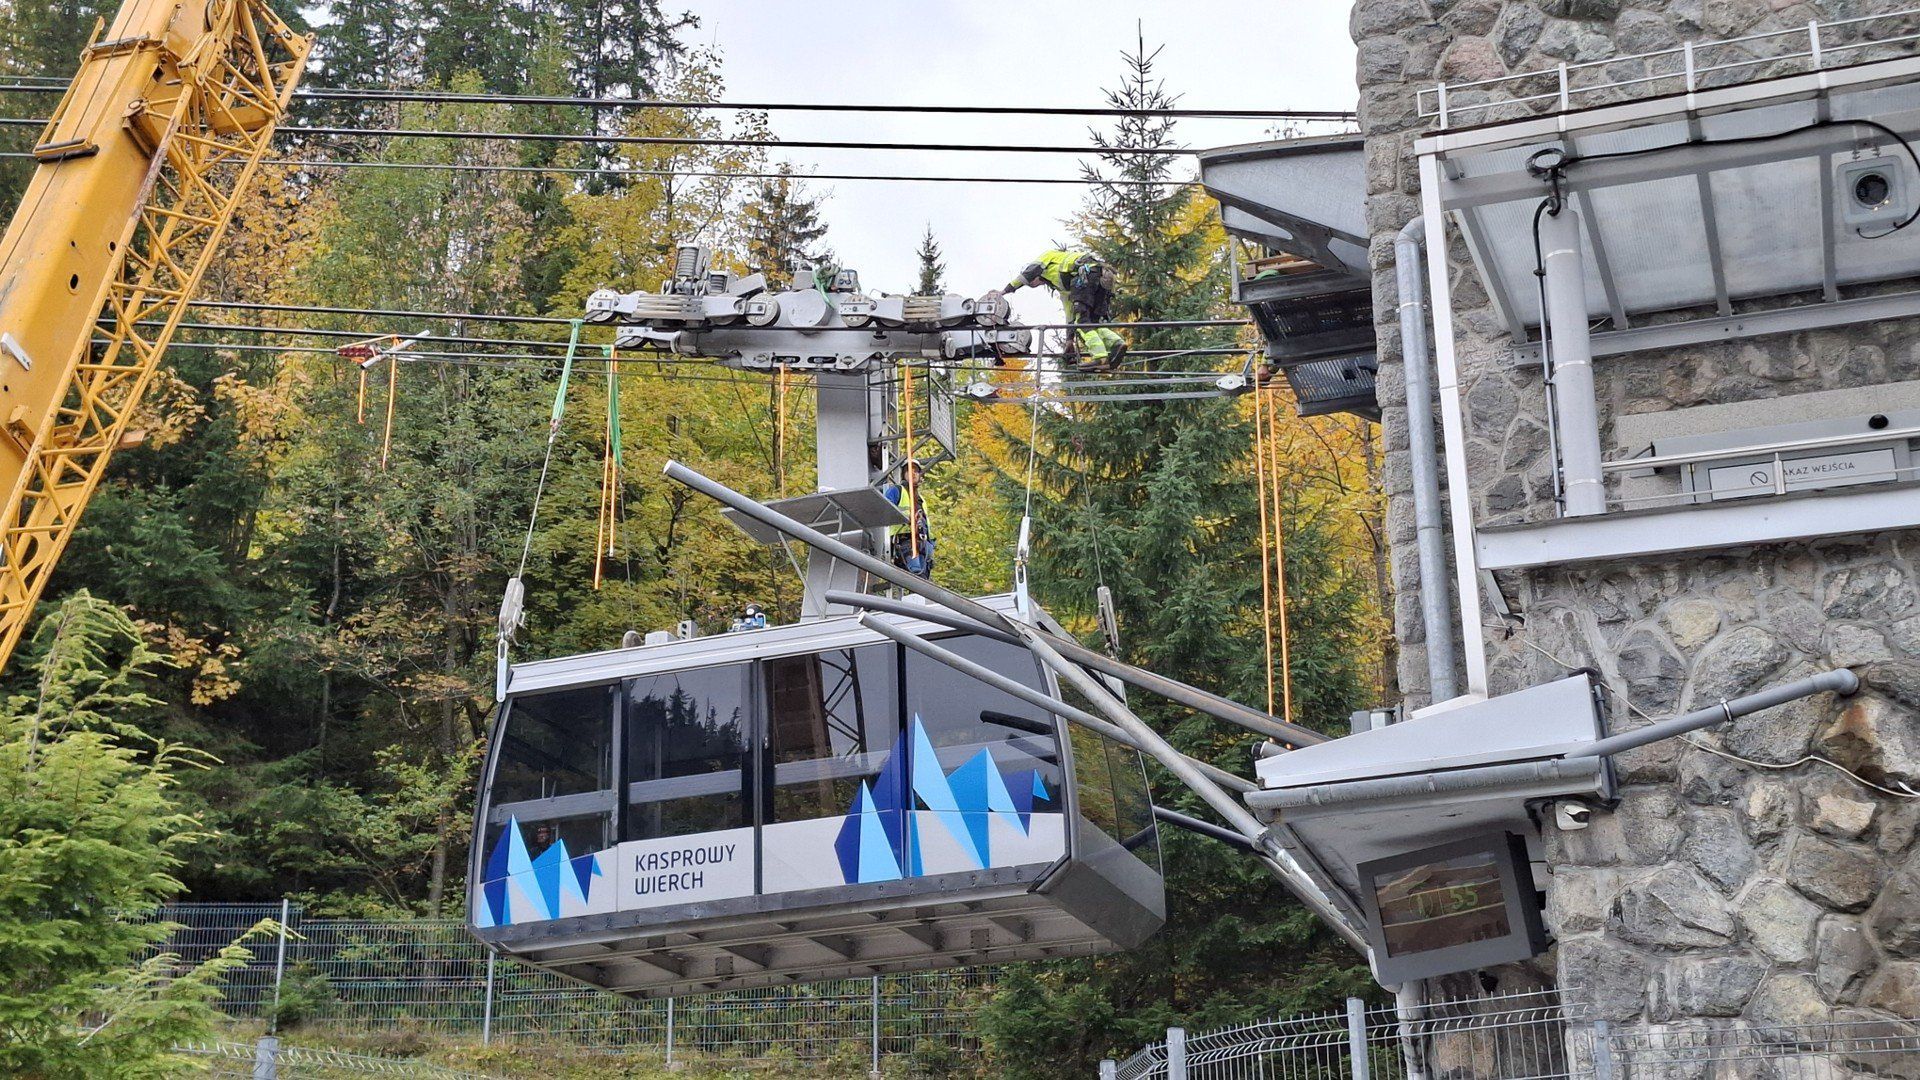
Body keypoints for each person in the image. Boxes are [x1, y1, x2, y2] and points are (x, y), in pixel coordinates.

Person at [1002, 249, 1128, 372]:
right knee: (1093, 322)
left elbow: (1029, 273)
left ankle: (1101, 358)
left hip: (1086, 275)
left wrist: (1004, 291)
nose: (1032, 284)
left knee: (1083, 323)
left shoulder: (1047, 256)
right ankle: (1116, 343)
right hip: (1101, 276)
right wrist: (1069, 340)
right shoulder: (1063, 287)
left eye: (1031, 283)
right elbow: (1070, 314)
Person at [882, 460, 935, 578]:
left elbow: (927, 526)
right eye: (909, 471)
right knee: (916, 577)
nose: (913, 473)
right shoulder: (897, 491)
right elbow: (884, 509)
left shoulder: (921, 500)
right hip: (906, 541)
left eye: (916, 471)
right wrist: (907, 518)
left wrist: (931, 545)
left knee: (925, 581)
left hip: (923, 546)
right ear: (904, 475)